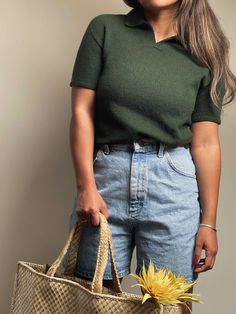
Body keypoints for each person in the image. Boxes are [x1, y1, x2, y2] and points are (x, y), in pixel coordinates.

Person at [66, 1, 236, 313]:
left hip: (173, 185)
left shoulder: (205, 49)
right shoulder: (105, 29)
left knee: (170, 306)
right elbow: (81, 111)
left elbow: (206, 143)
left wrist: (208, 223)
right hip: (107, 181)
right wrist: (85, 186)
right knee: (90, 301)